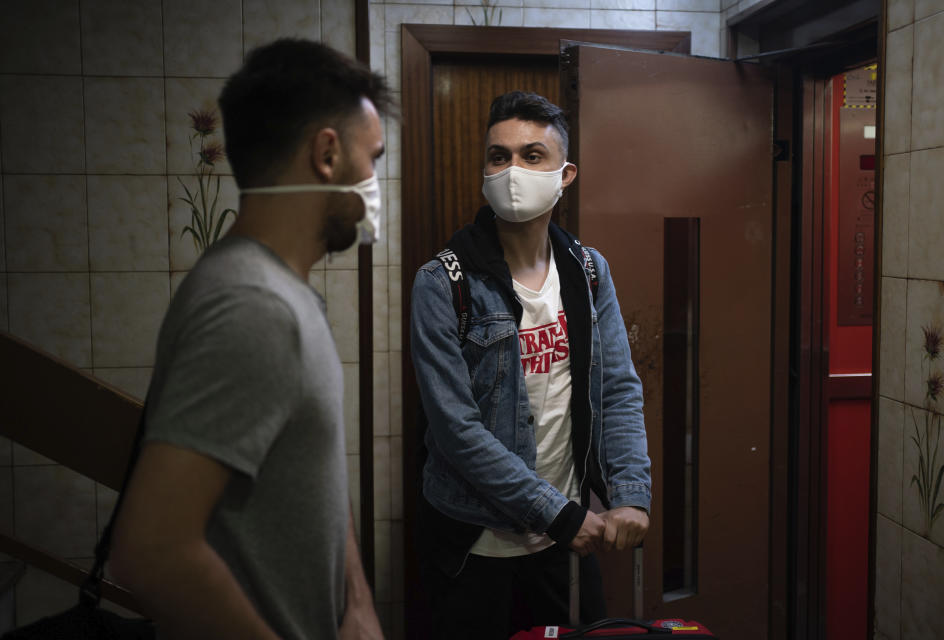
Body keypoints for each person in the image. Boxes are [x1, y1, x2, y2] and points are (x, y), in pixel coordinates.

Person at [110, 39, 388, 640]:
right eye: (374, 159)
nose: (374, 183)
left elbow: (312, 462)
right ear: (327, 153)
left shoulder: (279, 291)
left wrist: (357, 600)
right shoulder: (253, 307)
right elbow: (151, 551)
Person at [410, 91, 651, 639]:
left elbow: (617, 390)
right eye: (499, 157)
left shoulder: (589, 271)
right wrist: (556, 514)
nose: (513, 171)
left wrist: (632, 493)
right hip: (474, 543)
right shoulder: (441, 282)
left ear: (565, 175)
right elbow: (455, 430)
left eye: (532, 156)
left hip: (566, 541)